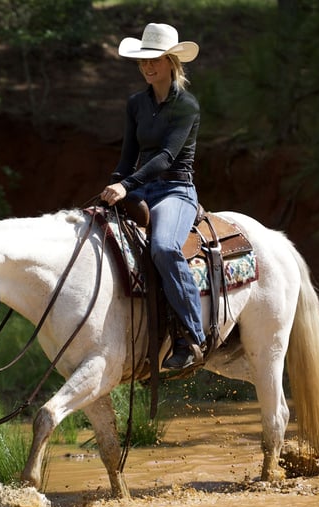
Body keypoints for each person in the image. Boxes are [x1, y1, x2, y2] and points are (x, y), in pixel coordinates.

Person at [100, 22, 206, 370]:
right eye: (143, 60)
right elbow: (129, 153)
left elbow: (165, 158)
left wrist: (126, 186)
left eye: (155, 59)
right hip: (142, 187)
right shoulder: (135, 104)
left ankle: (190, 336)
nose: (147, 66)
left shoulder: (187, 106)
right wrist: (114, 183)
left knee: (163, 247)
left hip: (176, 189)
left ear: (171, 61)